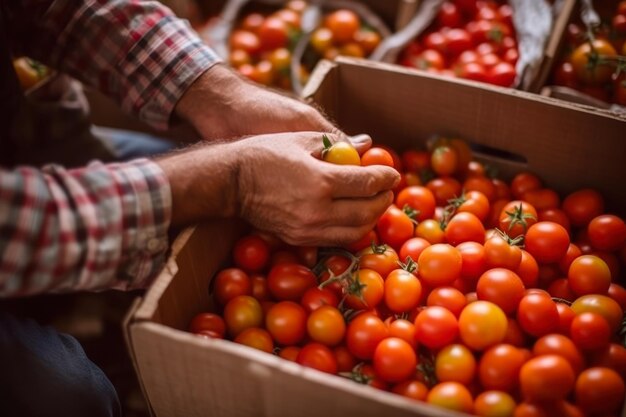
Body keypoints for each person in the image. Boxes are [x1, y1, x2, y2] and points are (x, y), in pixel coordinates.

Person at [0, 1, 399, 416]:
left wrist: (219, 95)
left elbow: (58, 7)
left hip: (24, 142)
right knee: (70, 396)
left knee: (197, 199)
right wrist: (233, 182)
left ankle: (112, 325)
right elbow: (17, 227)